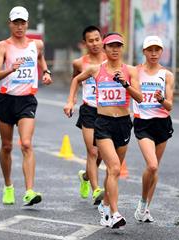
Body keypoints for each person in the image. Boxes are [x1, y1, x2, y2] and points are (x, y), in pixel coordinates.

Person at [67, 32, 142, 229]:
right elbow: (75, 80)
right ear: (105, 49)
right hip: (103, 123)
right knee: (115, 167)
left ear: (122, 48)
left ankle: (106, 207)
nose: (115, 49)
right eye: (111, 46)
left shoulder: (131, 71)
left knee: (112, 172)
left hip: (123, 123)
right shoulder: (95, 69)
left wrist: (125, 84)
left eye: (118, 46)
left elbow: (140, 98)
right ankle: (115, 213)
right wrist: (70, 101)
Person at [0, 6, 52, 206]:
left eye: (22, 23)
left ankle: (29, 191)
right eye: (15, 23)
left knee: (26, 143)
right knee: (7, 146)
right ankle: (8, 186)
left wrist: (46, 72)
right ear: (10, 24)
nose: (19, 27)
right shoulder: (3, 46)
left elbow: (40, 59)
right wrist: (10, 69)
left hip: (27, 100)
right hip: (7, 100)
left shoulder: (37, 45)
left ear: (27, 24)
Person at [133, 36, 174, 222]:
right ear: (144, 52)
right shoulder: (135, 71)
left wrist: (161, 100)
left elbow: (169, 105)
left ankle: (146, 209)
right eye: (150, 50)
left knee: (154, 170)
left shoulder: (167, 75)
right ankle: (142, 203)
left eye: (157, 50)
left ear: (161, 52)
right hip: (143, 122)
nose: (154, 53)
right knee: (152, 165)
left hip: (162, 123)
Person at [63, 26, 106, 205]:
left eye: (97, 39)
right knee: (93, 151)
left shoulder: (110, 58)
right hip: (88, 110)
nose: (95, 43)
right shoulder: (79, 63)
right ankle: (96, 190)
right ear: (85, 43)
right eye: (91, 40)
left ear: (102, 39)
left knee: (102, 154)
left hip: (107, 111)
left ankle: (86, 176)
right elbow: (76, 80)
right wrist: (71, 101)